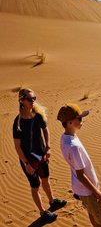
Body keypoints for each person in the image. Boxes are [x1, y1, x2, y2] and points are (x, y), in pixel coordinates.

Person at [12, 88, 67, 223]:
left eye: (34, 98)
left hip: (41, 155)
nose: (33, 101)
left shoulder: (38, 115)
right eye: (30, 99)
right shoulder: (18, 122)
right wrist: (26, 164)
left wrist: (48, 147)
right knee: (35, 186)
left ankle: (52, 201)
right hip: (29, 160)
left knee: (46, 180)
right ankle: (43, 212)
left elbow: (46, 130)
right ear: (22, 101)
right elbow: (17, 146)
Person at [58, 103, 101, 227]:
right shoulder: (73, 146)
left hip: (83, 188)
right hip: (88, 190)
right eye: (79, 118)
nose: (82, 121)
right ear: (69, 122)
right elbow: (81, 175)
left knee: (92, 214)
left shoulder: (65, 137)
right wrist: (98, 193)